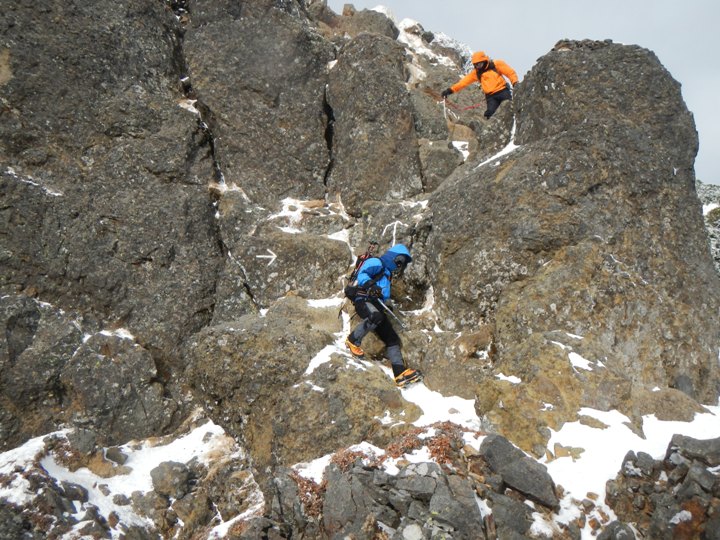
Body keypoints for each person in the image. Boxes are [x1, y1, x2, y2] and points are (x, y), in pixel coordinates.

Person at [345, 243, 422, 387]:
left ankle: (399, 373)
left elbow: (383, 294)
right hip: (364, 300)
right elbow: (363, 274)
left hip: (377, 306)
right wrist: (371, 285)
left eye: (403, 263)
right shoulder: (376, 262)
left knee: (392, 338)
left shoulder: (388, 273)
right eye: (400, 261)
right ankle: (352, 340)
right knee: (376, 316)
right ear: (394, 257)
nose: (400, 265)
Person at [441, 51, 519, 120]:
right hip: (491, 97)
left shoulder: (496, 64)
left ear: (484, 61)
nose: (477, 66)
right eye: (475, 64)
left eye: (479, 64)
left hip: (503, 91)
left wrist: (515, 83)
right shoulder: (476, 73)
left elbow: (510, 73)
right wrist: (450, 90)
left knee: (510, 109)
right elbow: (463, 83)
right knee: (489, 115)